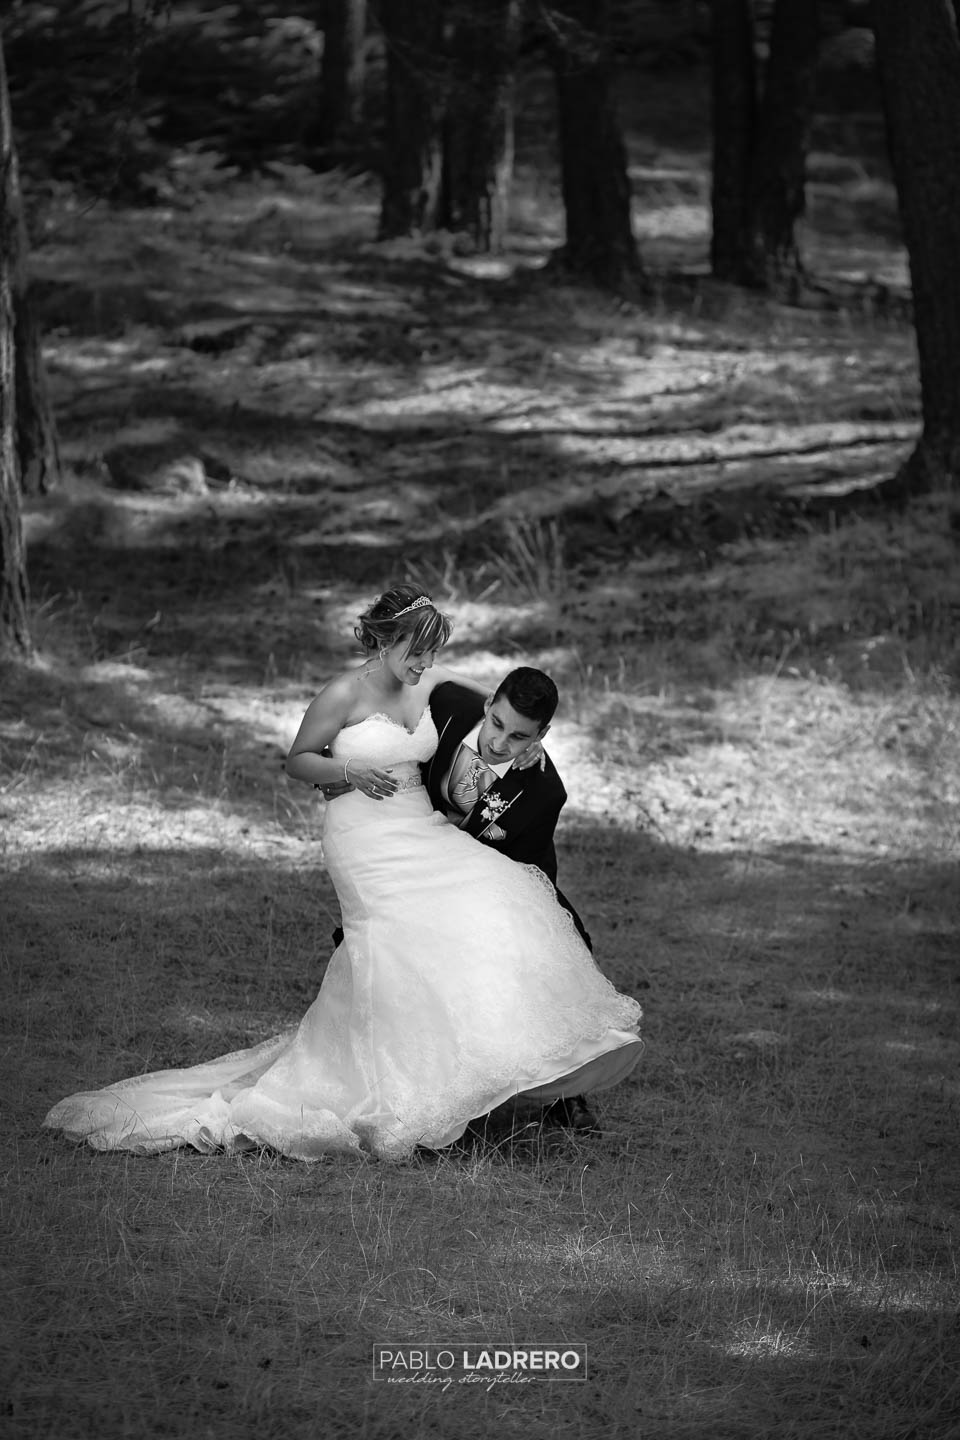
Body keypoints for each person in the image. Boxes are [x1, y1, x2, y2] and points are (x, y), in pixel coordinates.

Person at [44, 587, 642, 1161]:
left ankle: (501, 1064)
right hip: (362, 831)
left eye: (433, 653)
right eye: (417, 652)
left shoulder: (434, 684)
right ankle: (404, 1076)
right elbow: (297, 759)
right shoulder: (342, 694)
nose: (426, 664)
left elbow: (507, 706)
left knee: (491, 903)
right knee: (396, 935)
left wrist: (531, 749)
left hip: (418, 827)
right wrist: (347, 772)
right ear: (386, 640)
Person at [323, 664, 599, 1134]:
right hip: (414, 857)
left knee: (566, 947)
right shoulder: (448, 707)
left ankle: (564, 1092)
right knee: (383, 938)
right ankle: (401, 1070)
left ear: (542, 735)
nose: (499, 743)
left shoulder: (543, 791)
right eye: (497, 723)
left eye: (519, 737)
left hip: (495, 873)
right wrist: (337, 771)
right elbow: (376, 727)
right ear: (489, 704)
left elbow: (523, 869)